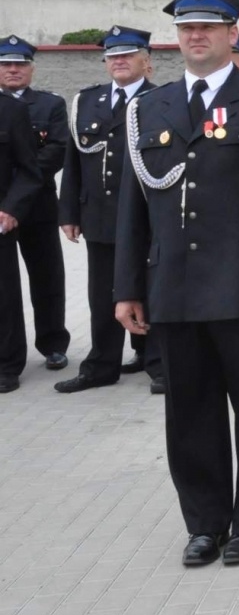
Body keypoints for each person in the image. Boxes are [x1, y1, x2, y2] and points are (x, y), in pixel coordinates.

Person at [114, 0, 239, 566]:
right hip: (173, 286)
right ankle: (204, 522)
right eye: (185, 28)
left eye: (208, 27)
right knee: (189, 412)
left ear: (232, 34)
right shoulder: (149, 108)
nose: (195, 36)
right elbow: (134, 208)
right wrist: (127, 286)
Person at [57, 26, 165, 393]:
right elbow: (73, 163)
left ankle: (157, 361)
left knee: (149, 288)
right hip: (101, 215)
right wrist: (69, 212)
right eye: (112, 56)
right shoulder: (88, 102)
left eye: (127, 55)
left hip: (148, 217)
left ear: (145, 60)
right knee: (102, 294)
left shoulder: (161, 100)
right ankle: (102, 365)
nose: (118, 61)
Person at [0, 36, 72, 373]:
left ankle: (53, 343)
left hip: (37, 202)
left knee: (47, 277)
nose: (13, 70)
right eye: (6, 64)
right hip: (1, 206)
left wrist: (20, 191)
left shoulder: (50, 104)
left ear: (31, 68)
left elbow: (56, 149)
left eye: (19, 64)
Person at [0, 87, 43, 394]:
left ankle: (6, 365)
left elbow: (29, 170)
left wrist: (11, 208)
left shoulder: (11, 110)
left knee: (3, 296)